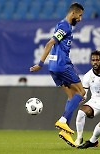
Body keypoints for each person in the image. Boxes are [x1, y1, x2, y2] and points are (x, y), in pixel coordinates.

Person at [30, 3, 85, 147]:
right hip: (62, 65)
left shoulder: (60, 24)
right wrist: (40, 63)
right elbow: (49, 44)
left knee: (72, 96)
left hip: (53, 67)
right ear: (73, 13)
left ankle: (65, 131)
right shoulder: (65, 26)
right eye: (79, 15)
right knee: (82, 92)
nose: (80, 19)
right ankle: (63, 121)